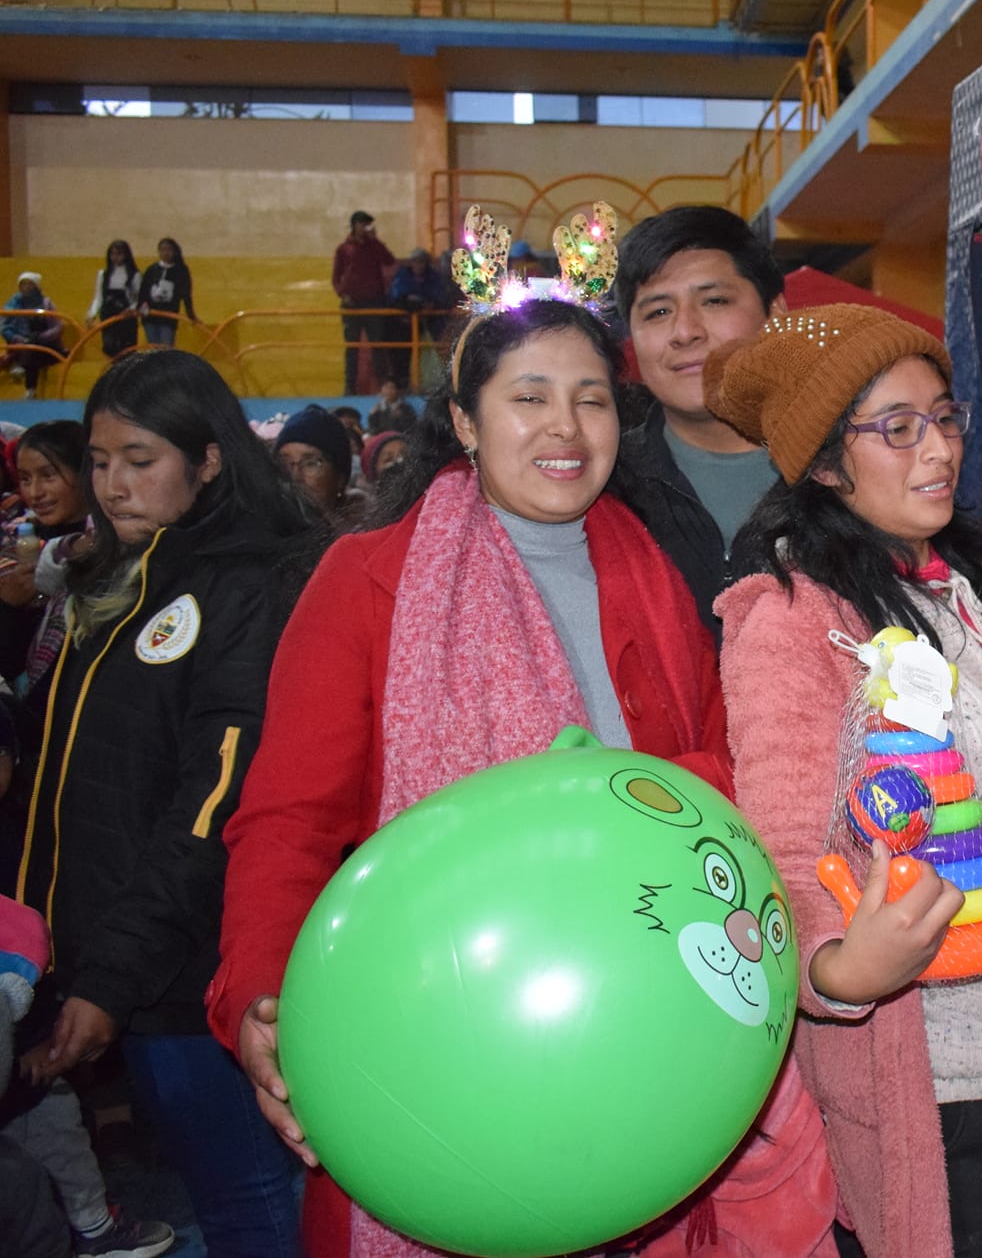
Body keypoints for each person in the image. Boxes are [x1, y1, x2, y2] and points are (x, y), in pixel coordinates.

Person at [210, 292, 834, 1258]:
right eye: (528, 397)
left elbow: (726, 762)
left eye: (590, 400)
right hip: (438, 1036)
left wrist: (626, 809)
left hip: (652, 1020)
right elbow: (287, 819)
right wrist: (258, 994)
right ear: (464, 419)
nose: (563, 428)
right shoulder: (366, 580)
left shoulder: (657, 568)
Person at [710, 303, 982, 1257]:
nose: (936, 448)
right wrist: (837, 970)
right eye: (896, 428)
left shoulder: (966, 589)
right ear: (820, 462)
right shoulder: (794, 614)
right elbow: (784, 842)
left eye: (944, 416)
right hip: (948, 1084)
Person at [12, 349, 316, 1257]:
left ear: (209, 459)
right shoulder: (123, 578)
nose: (112, 484)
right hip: (121, 960)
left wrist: (114, 973)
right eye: (99, 461)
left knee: (248, 1198)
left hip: (191, 973)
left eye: (140, 460)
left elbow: (210, 804)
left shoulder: (243, 584)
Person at [613, 206, 786, 639]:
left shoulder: (845, 474)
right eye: (657, 312)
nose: (685, 331)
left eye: (713, 301)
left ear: (776, 314)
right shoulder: (604, 487)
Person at [0, 889, 177, 1258]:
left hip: (29, 1053)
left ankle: (95, 1227)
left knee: (52, 1123)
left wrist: (37, 1035)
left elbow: (22, 931)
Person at [0, 421, 90, 705]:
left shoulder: (104, 552)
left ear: (85, 472)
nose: (35, 492)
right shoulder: (13, 545)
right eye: (25, 479)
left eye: (48, 475)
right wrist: (7, 605)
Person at [331, 211, 396, 393]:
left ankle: (383, 387)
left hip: (374, 302)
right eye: (362, 224)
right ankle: (349, 388)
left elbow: (389, 260)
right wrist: (342, 294)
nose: (364, 227)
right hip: (351, 306)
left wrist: (376, 240)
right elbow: (336, 277)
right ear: (354, 225)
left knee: (377, 345)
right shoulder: (344, 249)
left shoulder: (374, 246)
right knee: (352, 348)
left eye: (367, 224)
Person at [273, 404, 360, 527]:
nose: (295, 476)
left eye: (310, 463)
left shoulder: (363, 538)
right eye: (283, 464)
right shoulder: (258, 535)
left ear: (341, 479)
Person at [387, 247, 457, 369]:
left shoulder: (433, 277)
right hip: (407, 321)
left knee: (441, 344)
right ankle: (401, 379)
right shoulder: (404, 276)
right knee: (400, 347)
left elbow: (440, 297)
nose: (418, 265)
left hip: (431, 320)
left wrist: (427, 305)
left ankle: (445, 373)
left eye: (421, 261)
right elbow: (397, 297)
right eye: (416, 261)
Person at [3, 273, 66, 395]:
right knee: (30, 349)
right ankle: (30, 390)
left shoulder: (46, 304)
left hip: (46, 346)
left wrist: (40, 337)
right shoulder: (13, 304)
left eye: (29, 284)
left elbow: (57, 328)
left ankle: (23, 368)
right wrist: (19, 339)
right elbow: (5, 327)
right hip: (21, 346)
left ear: (36, 286)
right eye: (23, 284)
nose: (26, 287)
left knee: (33, 344)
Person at [136, 238, 195, 349]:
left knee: (166, 348)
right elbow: (143, 291)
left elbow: (186, 293)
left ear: (175, 252)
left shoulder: (181, 270)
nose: (166, 253)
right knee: (153, 348)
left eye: (169, 250)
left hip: (168, 318)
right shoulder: (151, 270)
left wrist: (191, 315)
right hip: (150, 317)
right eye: (162, 250)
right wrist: (141, 306)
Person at [87, 241, 143, 357]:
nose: (115, 257)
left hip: (126, 318)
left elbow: (138, 299)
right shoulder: (103, 274)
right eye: (112, 254)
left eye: (119, 254)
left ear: (126, 255)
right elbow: (99, 297)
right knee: (109, 347)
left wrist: (131, 309)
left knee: (127, 350)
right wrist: (92, 314)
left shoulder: (135, 275)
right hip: (108, 316)